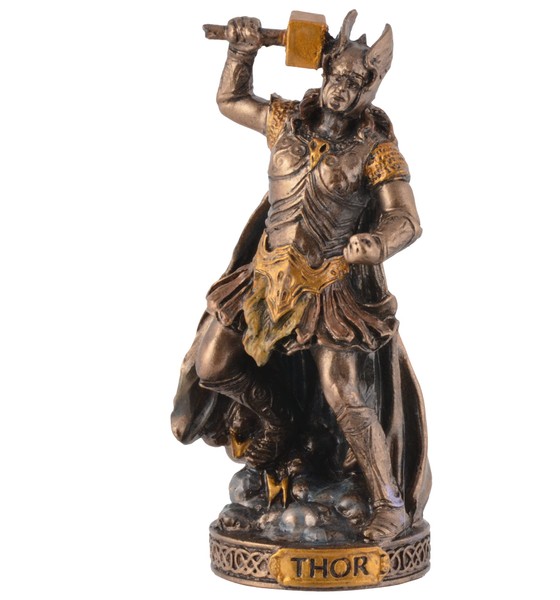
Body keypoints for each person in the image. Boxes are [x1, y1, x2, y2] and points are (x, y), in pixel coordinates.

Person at [171, 11, 430, 542]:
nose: (343, 89)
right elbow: (231, 100)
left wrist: (378, 242)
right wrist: (241, 52)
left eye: (357, 82)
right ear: (324, 72)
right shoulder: (286, 122)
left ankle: (388, 503)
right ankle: (279, 421)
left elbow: (406, 218)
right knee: (212, 364)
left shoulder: (377, 152)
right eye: (339, 76)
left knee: (345, 393)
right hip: (265, 278)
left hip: (327, 287)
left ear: (371, 87)